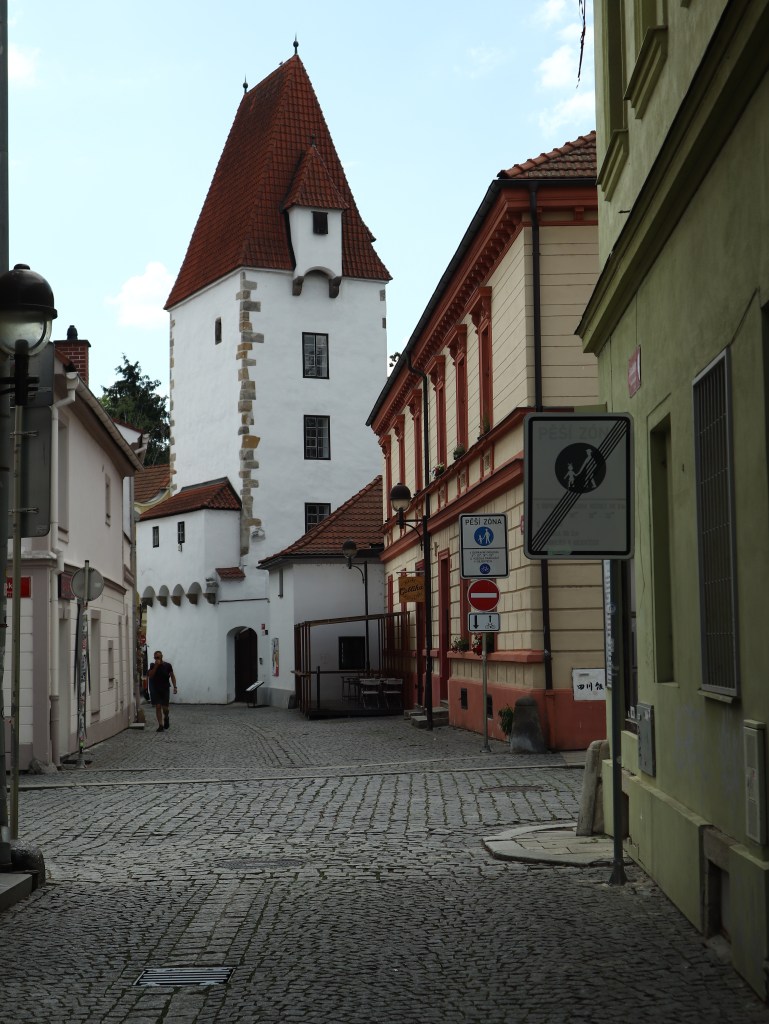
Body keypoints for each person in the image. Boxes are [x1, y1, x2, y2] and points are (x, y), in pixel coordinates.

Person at [147, 650, 178, 733]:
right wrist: (156, 666)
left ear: (161, 657)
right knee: (157, 706)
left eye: (158, 657)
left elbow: (172, 676)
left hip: (165, 688)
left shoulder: (167, 665)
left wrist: (175, 687)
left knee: (165, 708)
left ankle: (166, 717)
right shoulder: (152, 665)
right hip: (156, 689)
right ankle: (160, 725)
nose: (157, 659)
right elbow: (150, 675)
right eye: (155, 657)